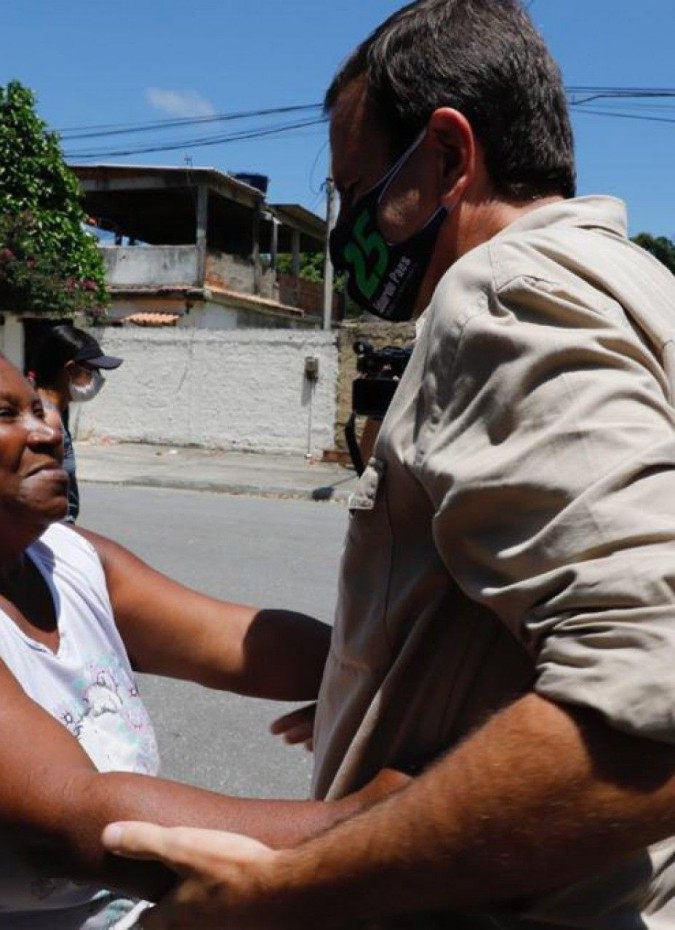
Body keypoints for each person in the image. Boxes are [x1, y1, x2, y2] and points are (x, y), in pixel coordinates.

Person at [102, 1, 675, 928]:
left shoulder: (501, 293)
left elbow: (649, 697)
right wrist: (377, 695)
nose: (350, 230)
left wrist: (285, 894)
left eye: (357, 189)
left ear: (449, 157)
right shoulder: (644, 286)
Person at [0, 337, 404, 929]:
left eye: (40, 408)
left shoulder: (70, 559)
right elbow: (84, 819)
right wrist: (399, 818)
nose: (49, 432)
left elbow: (241, 647)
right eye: (3, 414)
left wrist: (391, 679)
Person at [33, 324, 122, 523]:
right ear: (70, 370)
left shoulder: (47, 411)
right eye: (92, 370)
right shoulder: (48, 419)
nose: (98, 377)